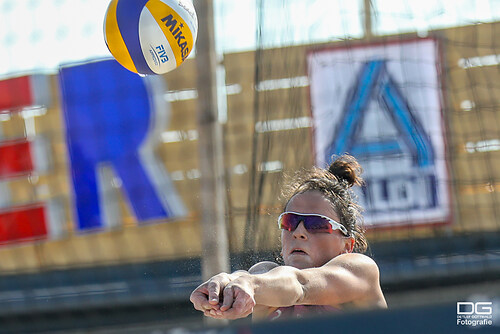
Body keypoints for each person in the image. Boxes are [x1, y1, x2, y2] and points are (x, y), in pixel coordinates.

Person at [190, 154, 387, 321]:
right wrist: (226, 283)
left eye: (316, 224)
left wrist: (248, 284)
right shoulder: (265, 278)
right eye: (290, 222)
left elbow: (300, 286)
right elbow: (256, 277)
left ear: (347, 245)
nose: (298, 232)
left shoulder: (361, 271)